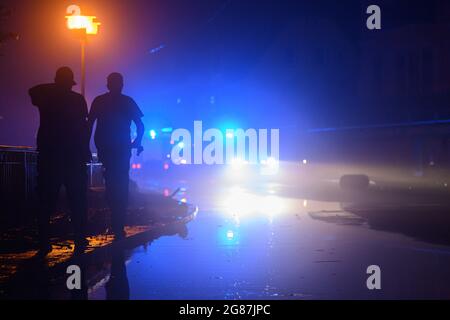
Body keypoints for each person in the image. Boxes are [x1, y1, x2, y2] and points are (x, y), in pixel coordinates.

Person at [29, 66, 90, 253]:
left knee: (46, 198)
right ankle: (79, 239)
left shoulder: (47, 97)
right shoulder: (78, 100)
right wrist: (85, 148)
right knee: (77, 199)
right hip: (73, 155)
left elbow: (32, 91)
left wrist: (56, 86)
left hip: (51, 154)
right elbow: (83, 126)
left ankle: (44, 240)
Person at [88, 73, 144, 239]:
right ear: (121, 85)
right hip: (122, 149)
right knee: (121, 183)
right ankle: (118, 223)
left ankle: (115, 219)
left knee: (111, 182)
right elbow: (140, 125)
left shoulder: (99, 101)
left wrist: (85, 146)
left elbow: (89, 124)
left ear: (107, 85)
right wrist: (136, 142)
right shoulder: (127, 102)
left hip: (106, 149)